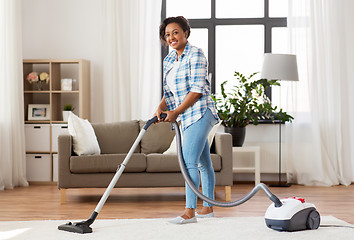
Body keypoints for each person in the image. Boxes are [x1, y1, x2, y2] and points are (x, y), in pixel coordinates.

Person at [154, 16, 220, 224]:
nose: (171, 37)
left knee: (188, 160)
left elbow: (197, 90)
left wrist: (175, 112)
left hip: (201, 112)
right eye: (167, 35)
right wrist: (162, 106)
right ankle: (208, 209)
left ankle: (189, 212)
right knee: (202, 163)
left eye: (175, 32)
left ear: (185, 33)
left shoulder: (196, 54)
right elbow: (172, 91)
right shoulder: (168, 60)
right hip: (186, 115)